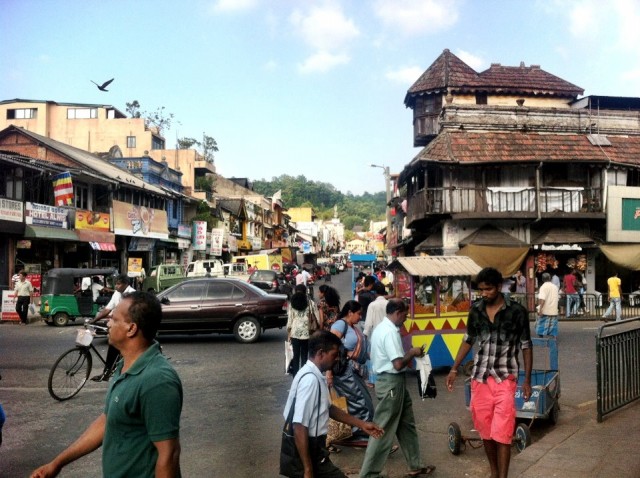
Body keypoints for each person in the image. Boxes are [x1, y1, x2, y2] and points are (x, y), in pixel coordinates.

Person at [31, 291, 183, 478]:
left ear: (131, 329)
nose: (108, 323)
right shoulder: (124, 364)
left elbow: (169, 455)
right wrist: (57, 463)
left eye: (114, 319)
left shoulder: (157, 380)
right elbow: (108, 421)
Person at [446, 267, 532, 478]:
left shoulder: (517, 312)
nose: (484, 293)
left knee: (503, 433)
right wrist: (454, 368)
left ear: (499, 286)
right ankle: (494, 472)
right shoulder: (476, 310)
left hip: (506, 378)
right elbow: (468, 340)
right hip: (480, 378)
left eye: (488, 289)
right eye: (481, 290)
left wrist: (527, 380)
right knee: (486, 431)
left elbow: (526, 345)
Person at [281, 331, 383, 478]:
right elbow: (299, 425)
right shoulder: (310, 380)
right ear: (321, 353)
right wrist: (308, 469)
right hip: (308, 451)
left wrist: (361, 424)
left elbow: (328, 408)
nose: (337, 359)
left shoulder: (313, 374)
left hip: (314, 450)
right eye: (334, 355)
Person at [360, 299, 435, 478]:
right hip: (391, 383)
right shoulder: (390, 332)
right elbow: (398, 364)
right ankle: (368, 474)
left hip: (392, 383)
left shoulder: (381, 328)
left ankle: (415, 464)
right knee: (382, 430)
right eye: (405, 315)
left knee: (406, 424)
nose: (406, 318)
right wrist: (413, 352)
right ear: (398, 312)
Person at [326, 301, 374, 441]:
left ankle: (361, 431)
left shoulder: (352, 327)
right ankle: (361, 433)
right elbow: (330, 348)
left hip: (353, 371)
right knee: (359, 401)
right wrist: (329, 373)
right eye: (358, 314)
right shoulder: (340, 325)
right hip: (345, 371)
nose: (360, 317)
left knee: (361, 400)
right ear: (350, 312)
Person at [88, 274, 136, 381]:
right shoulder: (117, 293)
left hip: (128, 326)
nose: (116, 286)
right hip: (118, 324)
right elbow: (107, 309)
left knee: (118, 347)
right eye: (116, 284)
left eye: (118, 284)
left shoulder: (132, 294)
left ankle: (114, 373)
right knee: (113, 346)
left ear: (126, 284)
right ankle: (107, 372)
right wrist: (94, 320)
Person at [287, 286, 318, 377]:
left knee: (295, 356)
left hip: (295, 334)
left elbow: (290, 320)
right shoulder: (311, 303)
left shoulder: (292, 304)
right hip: (307, 334)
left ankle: (296, 377)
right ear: (305, 292)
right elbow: (317, 317)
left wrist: (289, 333)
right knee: (304, 356)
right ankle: (304, 376)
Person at [536, 272, 559, 338]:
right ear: (550, 278)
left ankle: (541, 337)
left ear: (542, 279)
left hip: (545, 310)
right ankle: (553, 338)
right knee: (553, 325)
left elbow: (542, 299)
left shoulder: (543, 287)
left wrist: (540, 309)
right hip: (553, 309)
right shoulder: (555, 287)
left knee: (541, 324)